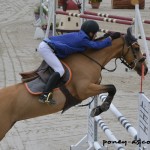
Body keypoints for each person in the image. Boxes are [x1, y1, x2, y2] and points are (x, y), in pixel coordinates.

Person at [37, 20, 121, 103]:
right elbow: (96, 45)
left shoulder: (81, 35)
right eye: (95, 34)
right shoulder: (83, 40)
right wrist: (110, 38)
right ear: (90, 33)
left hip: (48, 46)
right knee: (60, 70)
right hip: (46, 48)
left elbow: (91, 43)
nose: (95, 36)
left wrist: (105, 37)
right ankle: (45, 95)